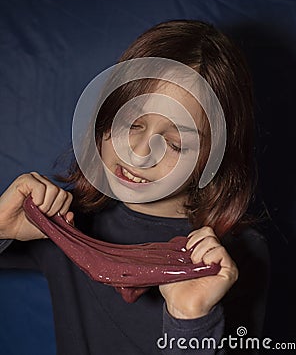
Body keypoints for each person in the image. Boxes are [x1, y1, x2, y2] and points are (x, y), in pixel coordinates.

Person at [0, 20, 269, 354]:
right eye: (130, 122)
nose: (139, 154)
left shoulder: (238, 254)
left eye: (174, 144)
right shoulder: (65, 221)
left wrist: (190, 322)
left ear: (215, 157)